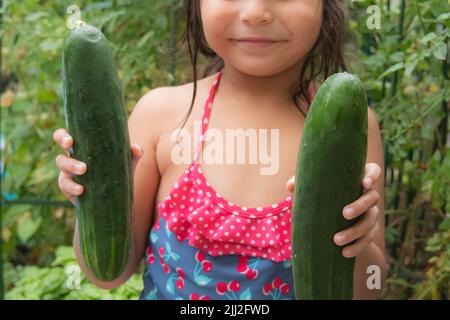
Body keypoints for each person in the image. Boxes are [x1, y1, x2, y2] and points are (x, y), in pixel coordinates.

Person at [53, 0, 386, 300]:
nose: (255, 12)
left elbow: (371, 288)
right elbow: (108, 273)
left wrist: (354, 239)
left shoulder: (349, 126)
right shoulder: (159, 115)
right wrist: (91, 200)